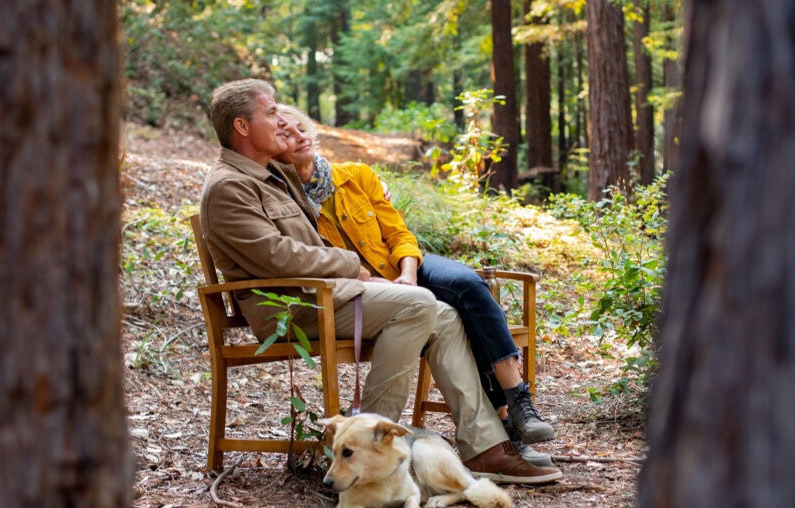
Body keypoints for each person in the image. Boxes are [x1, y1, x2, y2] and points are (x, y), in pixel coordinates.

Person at [199, 79, 560, 484]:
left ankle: (484, 447)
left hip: (325, 295)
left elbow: (317, 172)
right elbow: (276, 258)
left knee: (441, 314)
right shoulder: (229, 186)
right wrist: (350, 264)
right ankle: (369, 451)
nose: (282, 120)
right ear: (242, 127)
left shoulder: (275, 174)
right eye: (271, 113)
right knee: (420, 303)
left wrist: (368, 188)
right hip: (293, 306)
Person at [273, 104, 556, 451]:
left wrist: (407, 274)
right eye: (285, 134)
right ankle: (500, 419)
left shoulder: (357, 175)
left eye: (300, 128)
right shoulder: (285, 203)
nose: (298, 136)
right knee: (454, 317)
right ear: (272, 146)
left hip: (402, 268)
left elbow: (400, 235)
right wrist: (381, 284)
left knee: (467, 285)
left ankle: (518, 401)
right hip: (359, 289)